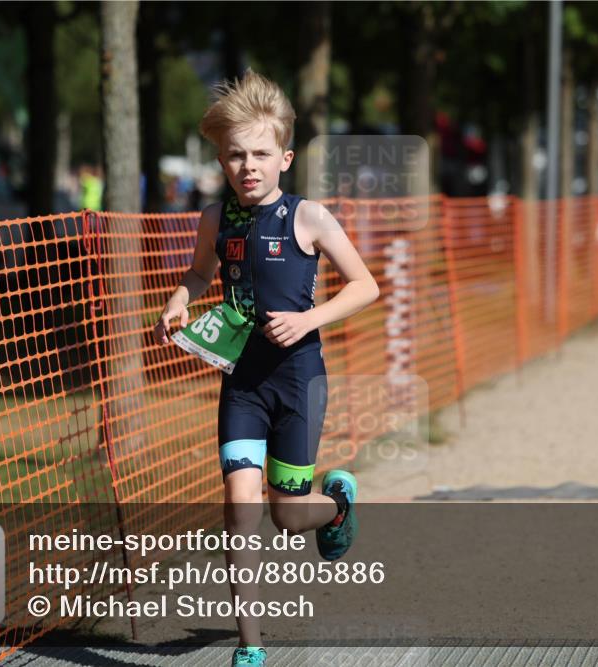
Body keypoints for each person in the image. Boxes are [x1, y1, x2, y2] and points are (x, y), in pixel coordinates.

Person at [153, 69, 380, 667]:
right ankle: (251, 649)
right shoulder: (213, 219)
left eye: (259, 154)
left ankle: (336, 505)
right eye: (234, 155)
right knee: (240, 507)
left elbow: (366, 286)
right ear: (221, 161)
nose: (247, 166)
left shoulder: (309, 218)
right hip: (243, 384)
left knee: (287, 515)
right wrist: (181, 297)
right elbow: (202, 273)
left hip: (299, 379)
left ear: (284, 157)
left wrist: (308, 321)